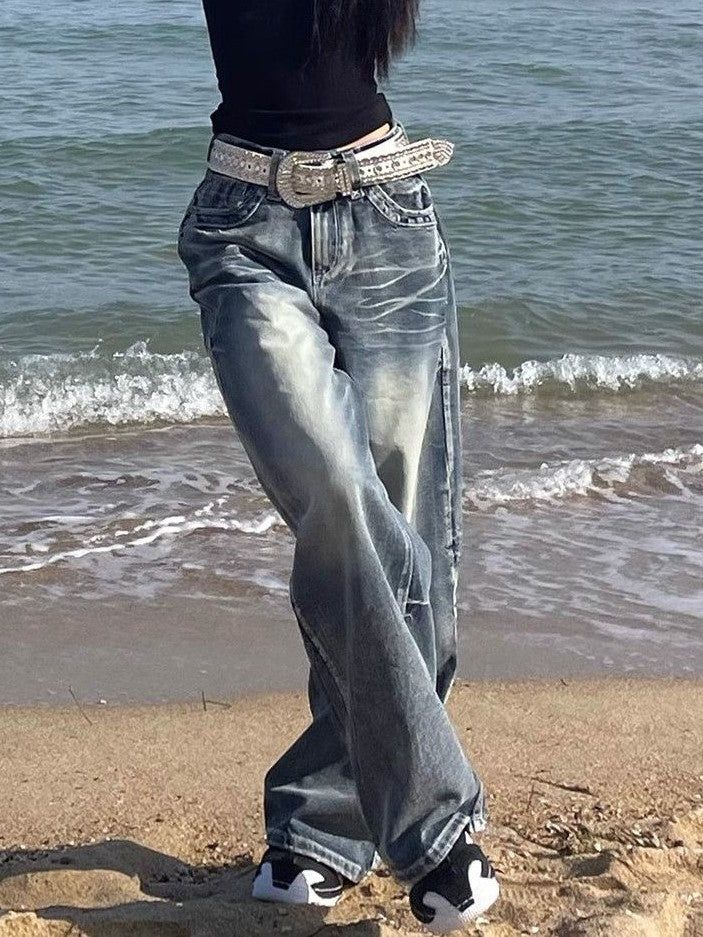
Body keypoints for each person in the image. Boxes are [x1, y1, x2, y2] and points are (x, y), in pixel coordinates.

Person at [177, 0, 501, 931]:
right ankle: (436, 828)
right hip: (245, 232)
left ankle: (319, 825)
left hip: (389, 221)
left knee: (410, 551)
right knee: (338, 498)